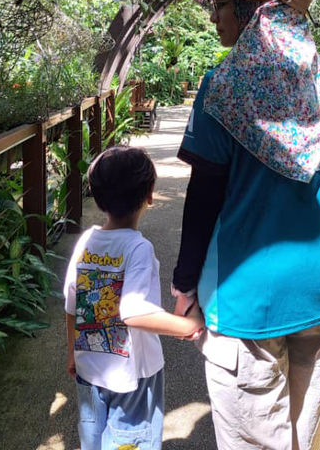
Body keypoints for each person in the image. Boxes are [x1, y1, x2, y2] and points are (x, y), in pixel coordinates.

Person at [171, 0, 320, 450]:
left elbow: (204, 197)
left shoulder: (224, 86)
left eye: (219, 4)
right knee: (305, 435)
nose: (213, 16)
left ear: (252, 11)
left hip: (248, 301)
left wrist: (184, 284)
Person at [64, 146, 204, 450]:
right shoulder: (137, 248)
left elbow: (71, 304)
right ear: (149, 195)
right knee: (130, 441)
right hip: (134, 377)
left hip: (89, 368)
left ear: (98, 198)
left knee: (93, 439)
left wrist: (72, 350)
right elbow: (134, 310)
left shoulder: (86, 242)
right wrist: (187, 324)